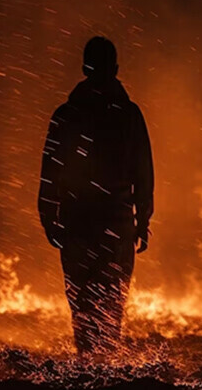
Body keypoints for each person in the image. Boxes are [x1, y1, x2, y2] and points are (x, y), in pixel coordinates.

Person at [37, 36, 154, 354]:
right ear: (115, 69)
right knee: (111, 308)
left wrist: (49, 217)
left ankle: (86, 375)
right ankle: (107, 381)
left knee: (82, 308)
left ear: (84, 68)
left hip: (76, 226)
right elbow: (144, 174)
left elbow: (50, 172)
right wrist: (142, 221)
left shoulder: (65, 114)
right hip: (116, 227)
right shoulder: (129, 115)